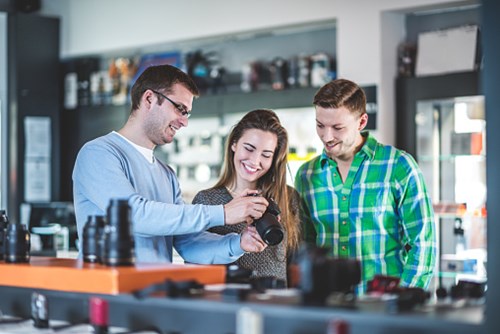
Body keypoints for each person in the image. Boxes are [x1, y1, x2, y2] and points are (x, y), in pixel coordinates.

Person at [72, 64, 269, 264]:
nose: (184, 122)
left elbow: (188, 243)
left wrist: (239, 243)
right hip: (109, 292)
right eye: (180, 109)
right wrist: (223, 213)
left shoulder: (166, 174)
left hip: (154, 292)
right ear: (149, 99)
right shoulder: (99, 153)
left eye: (187, 113)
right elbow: (134, 215)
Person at [294, 78, 436, 294]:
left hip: (385, 307)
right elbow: (306, 246)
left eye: (337, 127)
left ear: (361, 122)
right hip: (328, 305)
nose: (327, 136)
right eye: (320, 125)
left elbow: (423, 245)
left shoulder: (399, 166)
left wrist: (403, 300)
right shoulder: (306, 175)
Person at [192, 109, 301, 286]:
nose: (255, 161)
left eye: (266, 155)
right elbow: (196, 267)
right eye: (249, 149)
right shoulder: (208, 200)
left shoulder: (288, 198)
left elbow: (295, 266)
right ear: (234, 143)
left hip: (277, 307)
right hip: (228, 307)